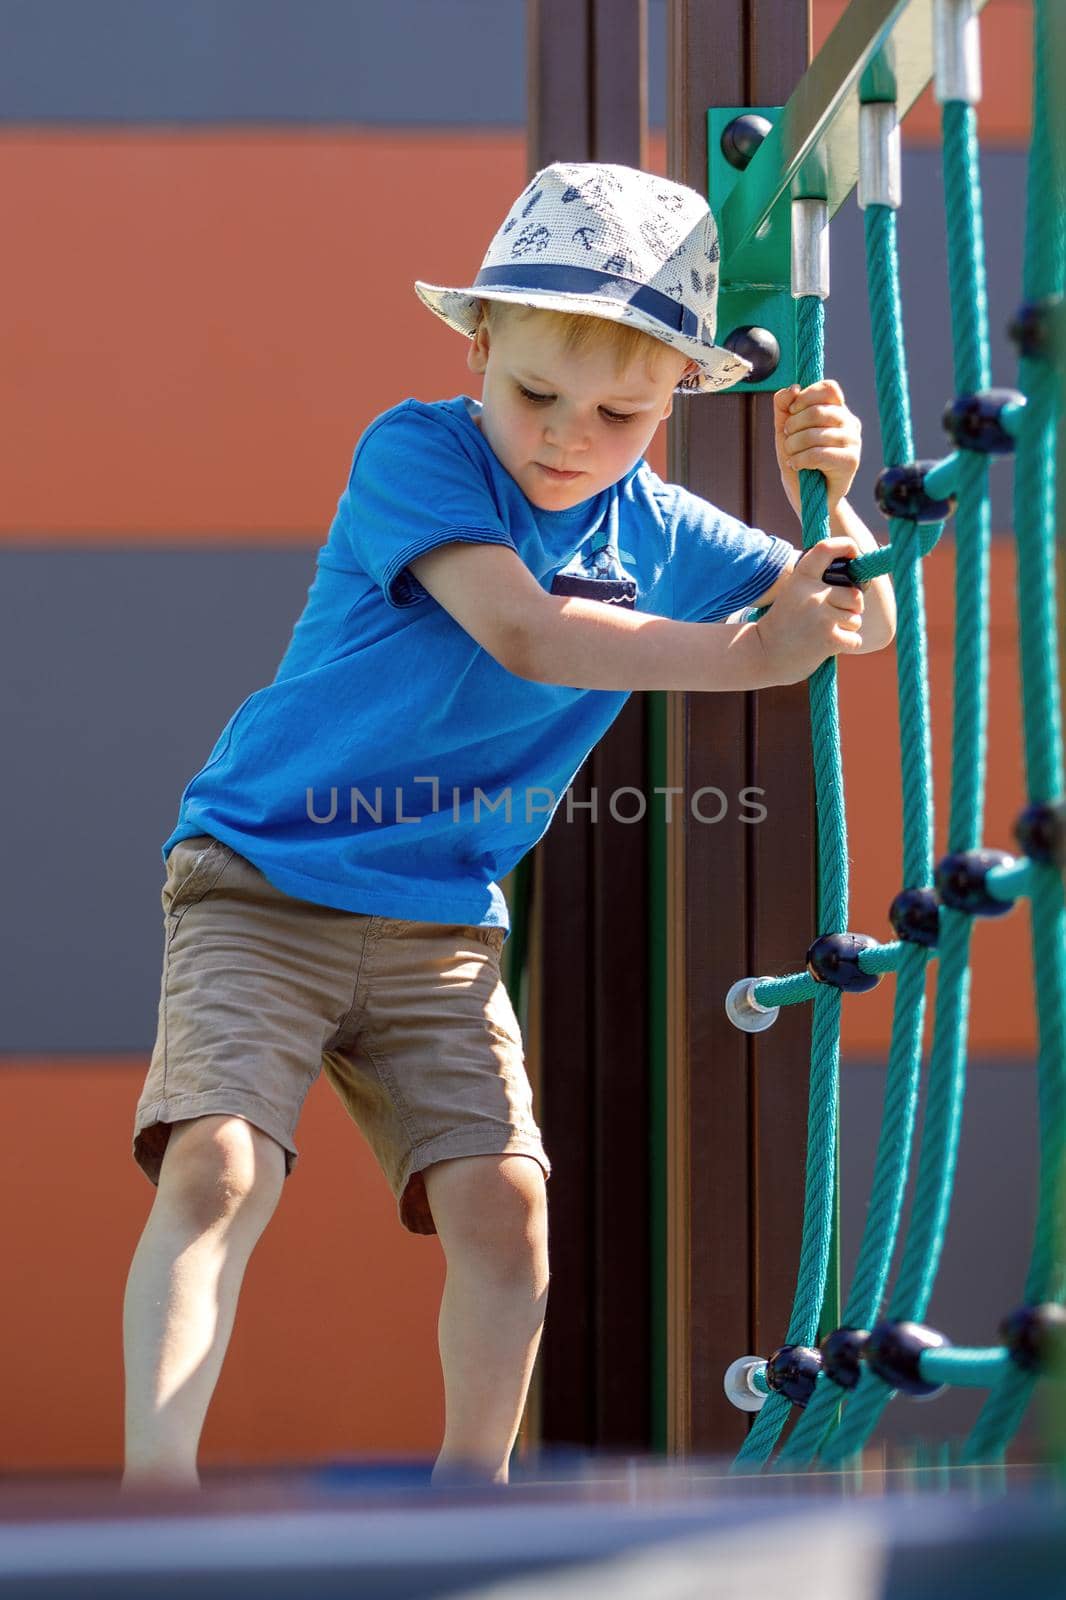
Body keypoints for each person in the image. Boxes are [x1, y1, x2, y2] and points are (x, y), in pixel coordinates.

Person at [122, 162, 895, 1492]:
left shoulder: (652, 523)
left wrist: (835, 505)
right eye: (537, 393)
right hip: (264, 875)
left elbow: (855, 620)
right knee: (221, 1161)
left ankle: (465, 1505)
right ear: (480, 346)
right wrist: (754, 658)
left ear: (670, 404)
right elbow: (530, 631)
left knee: (509, 1209)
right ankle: (155, 1482)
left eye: (620, 412)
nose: (567, 436)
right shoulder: (419, 454)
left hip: (439, 920)